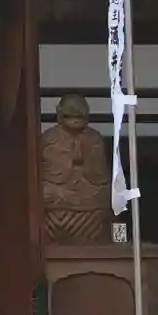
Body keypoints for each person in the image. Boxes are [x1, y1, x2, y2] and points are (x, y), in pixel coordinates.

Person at [40, 92, 112, 246]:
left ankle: (112, 239)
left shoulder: (95, 138)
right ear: (59, 114)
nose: (74, 119)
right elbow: (46, 167)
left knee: (110, 195)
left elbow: (100, 171)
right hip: (59, 187)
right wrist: (68, 161)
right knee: (45, 192)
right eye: (69, 115)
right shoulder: (49, 137)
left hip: (88, 186)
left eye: (79, 115)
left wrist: (86, 161)